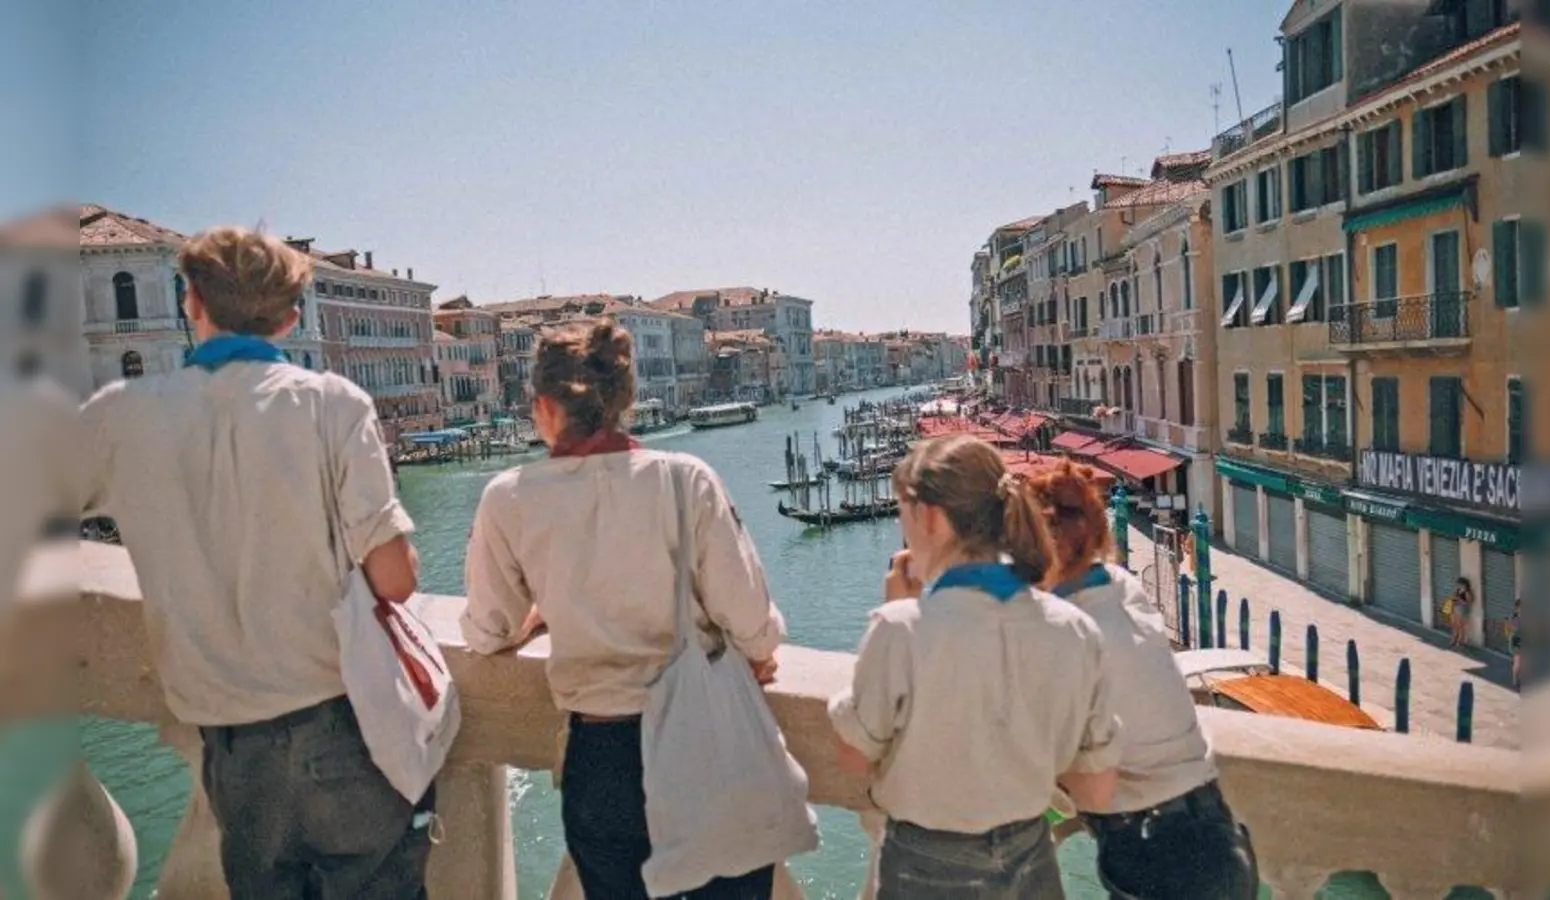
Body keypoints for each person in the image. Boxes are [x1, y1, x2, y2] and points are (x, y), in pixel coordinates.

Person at [80, 227, 434, 896]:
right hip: (342, 724)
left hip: (232, 746)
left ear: (192, 304)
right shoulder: (333, 405)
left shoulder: (119, 416)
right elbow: (396, 578)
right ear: (291, 315)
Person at [461, 319, 786, 899]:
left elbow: (489, 629)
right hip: (707, 747)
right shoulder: (687, 481)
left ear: (542, 406)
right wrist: (755, 656)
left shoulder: (508, 498)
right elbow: (755, 626)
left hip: (603, 761)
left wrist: (540, 611)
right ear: (625, 400)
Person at [828, 435, 1121, 900]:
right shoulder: (1076, 630)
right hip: (1031, 863)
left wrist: (899, 616)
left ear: (928, 517)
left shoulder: (900, 630)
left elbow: (855, 755)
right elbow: (1098, 788)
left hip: (923, 869)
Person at [1028, 460, 1259, 900]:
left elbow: (1082, 779)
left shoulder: (1064, 632)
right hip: (1221, 838)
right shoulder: (1123, 587)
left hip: (1155, 854)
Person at [1450, 577, 1475, 647]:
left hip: (1462, 610)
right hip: (1456, 608)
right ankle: (1453, 639)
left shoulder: (1467, 592)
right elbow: (1453, 598)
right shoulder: (1458, 590)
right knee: (1455, 625)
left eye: (1459, 583)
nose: (1458, 585)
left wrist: (1460, 600)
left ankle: (1460, 641)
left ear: (1464, 584)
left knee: (1460, 626)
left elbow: (1469, 601)